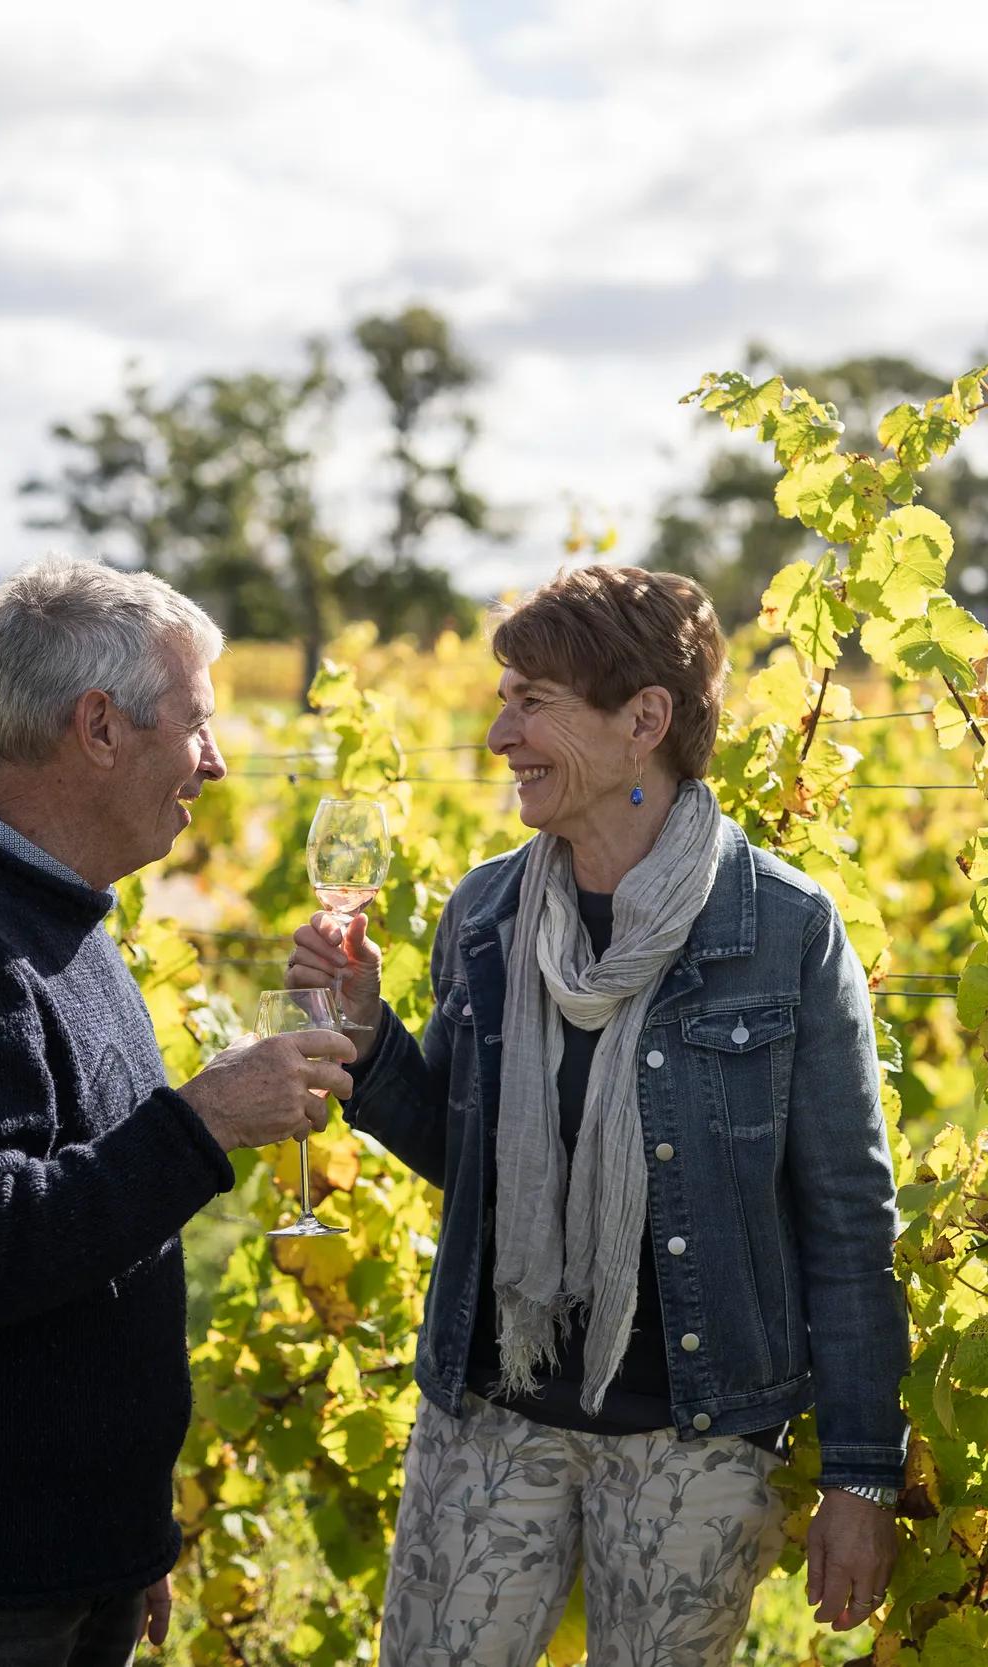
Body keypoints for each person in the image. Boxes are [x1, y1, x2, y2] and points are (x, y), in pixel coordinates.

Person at [289, 564, 910, 1667]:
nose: (498, 735)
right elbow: (464, 1153)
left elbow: (849, 1221)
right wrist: (371, 1037)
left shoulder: (784, 929)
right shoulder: (485, 910)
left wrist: (862, 1469)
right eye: (502, 698)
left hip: (695, 1443)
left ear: (645, 720)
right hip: (492, 1417)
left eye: (532, 700)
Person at [0, 556, 355, 1666]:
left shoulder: (57, 921)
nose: (218, 762)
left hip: (50, 1568)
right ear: (99, 726)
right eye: (197, 725)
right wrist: (204, 1121)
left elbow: (85, 1247)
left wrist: (122, 1535)